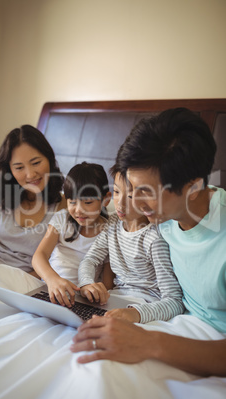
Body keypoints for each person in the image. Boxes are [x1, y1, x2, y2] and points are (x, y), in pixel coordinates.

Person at [71, 108, 226, 377]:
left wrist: (150, 343)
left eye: (145, 193)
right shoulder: (161, 217)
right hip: (176, 325)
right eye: (130, 189)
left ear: (193, 188)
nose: (134, 204)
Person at [78, 164, 184, 324]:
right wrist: (87, 283)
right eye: (116, 192)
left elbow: (174, 301)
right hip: (113, 301)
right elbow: (90, 260)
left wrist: (135, 314)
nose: (120, 203)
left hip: (145, 308)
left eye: (130, 196)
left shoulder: (154, 239)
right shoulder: (112, 223)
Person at [0, 125, 66, 274]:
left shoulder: (63, 205)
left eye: (36, 163)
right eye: (19, 167)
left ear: (49, 159)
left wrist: (16, 285)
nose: (30, 174)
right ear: (10, 171)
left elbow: (54, 264)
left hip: (25, 281)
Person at [32, 162, 112, 307]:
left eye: (88, 202)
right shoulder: (61, 218)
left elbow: (108, 283)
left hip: (82, 300)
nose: (78, 210)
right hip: (50, 289)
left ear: (106, 199)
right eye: (72, 202)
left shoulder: (109, 232)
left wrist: (96, 292)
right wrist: (53, 280)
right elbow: (39, 256)